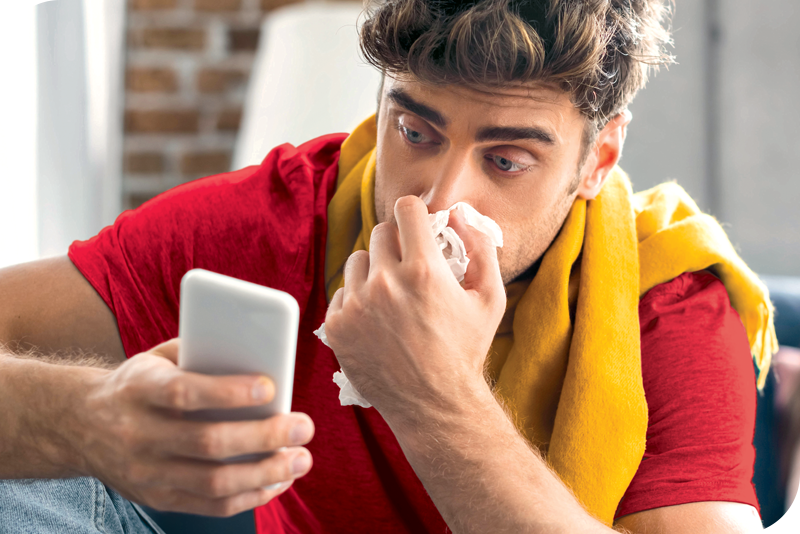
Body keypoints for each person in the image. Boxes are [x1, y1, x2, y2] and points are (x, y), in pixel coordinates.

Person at [0, 0, 776, 532]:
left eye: (505, 160)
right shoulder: (283, 218)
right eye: (415, 130)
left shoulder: (669, 300)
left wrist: (432, 396)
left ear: (596, 161)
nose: (436, 200)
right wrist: (85, 419)